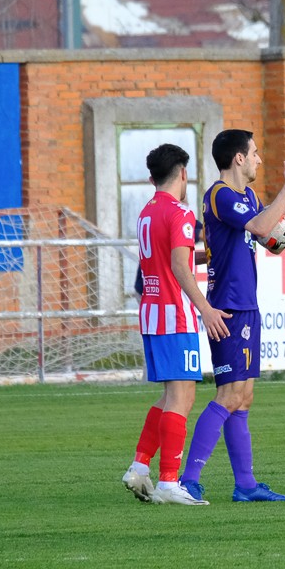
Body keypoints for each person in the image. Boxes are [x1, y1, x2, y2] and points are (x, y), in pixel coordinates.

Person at [179, 130, 285, 502]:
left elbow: (271, 241)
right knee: (229, 394)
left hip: (247, 305)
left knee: (245, 397)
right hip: (229, 306)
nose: (258, 159)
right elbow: (257, 226)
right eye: (254, 153)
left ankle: (246, 485)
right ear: (238, 158)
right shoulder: (220, 195)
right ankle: (188, 480)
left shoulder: (248, 196)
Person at [121, 143, 231, 506]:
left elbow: (171, 259)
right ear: (183, 173)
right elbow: (181, 267)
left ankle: (139, 467)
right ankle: (169, 482)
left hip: (152, 312)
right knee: (182, 397)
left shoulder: (147, 212)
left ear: (153, 177)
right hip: (175, 313)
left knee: (171, 396)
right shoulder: (182, 213)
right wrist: (205, 308)